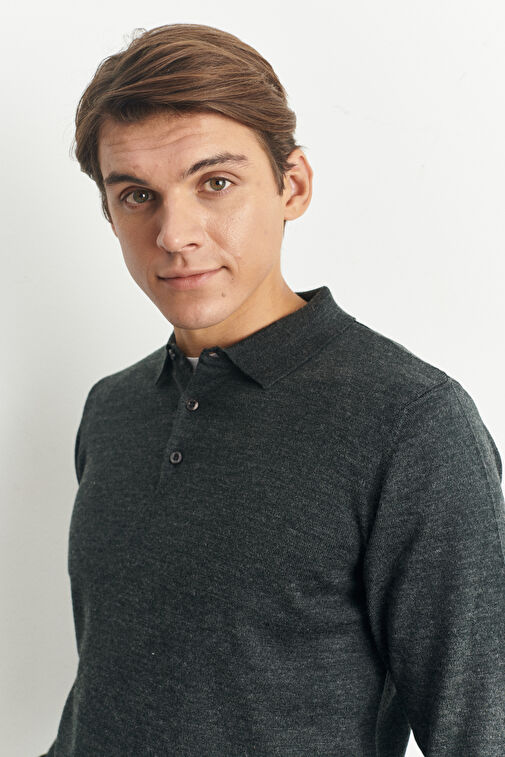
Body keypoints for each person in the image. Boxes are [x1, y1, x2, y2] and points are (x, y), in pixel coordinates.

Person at [39, 22, 505, 756]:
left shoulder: (409, 421)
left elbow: (479, 731)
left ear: (293, 185)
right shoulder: (113, 409)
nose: (174, 233)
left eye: (215, 183)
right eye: (137, 195)